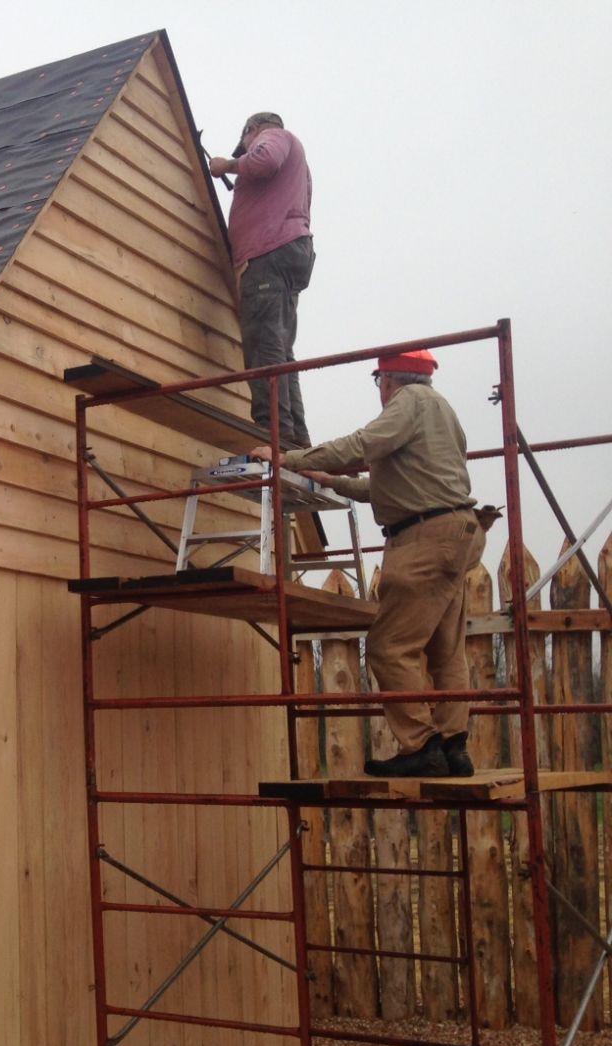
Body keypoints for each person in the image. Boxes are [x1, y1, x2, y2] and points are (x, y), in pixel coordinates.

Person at [250, 350, 485, 778]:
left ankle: (421, 744)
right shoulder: (442, 411)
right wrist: (334, 483)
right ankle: (453, 745)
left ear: (387, 380)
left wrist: (289, 459)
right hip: (455, 531)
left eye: (378, 382)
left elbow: (362, 444)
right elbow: (397, 486)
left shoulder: (409, 402)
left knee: (388, 646)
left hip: (423, 539)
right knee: (445, 648)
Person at [209, 112, 315, 447]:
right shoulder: (297, 164)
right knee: (281, 350)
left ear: (250, 131)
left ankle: (274, 433)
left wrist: (227, 165)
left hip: (269, 253)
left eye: (244, 142)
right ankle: (296, 438)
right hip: (286, 253)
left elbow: (264, 159)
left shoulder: (274, 138)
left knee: (263, 344)